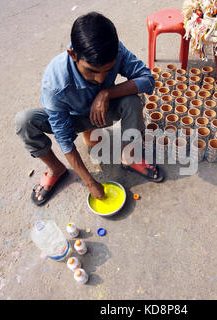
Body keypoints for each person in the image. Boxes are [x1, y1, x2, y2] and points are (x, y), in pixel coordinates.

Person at [14, 12, 164, 206]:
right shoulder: (55, 81)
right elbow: (63, 138)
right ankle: (56, 170)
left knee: (131, 101)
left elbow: (147, 79)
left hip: (104, 111)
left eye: (108, 71)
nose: (100, 79)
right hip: (72, 118)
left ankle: (129, 156)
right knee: (24, 121)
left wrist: (106, 93)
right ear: (73, 55)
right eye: (92, 71)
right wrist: (90, 181)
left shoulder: (116, 50)